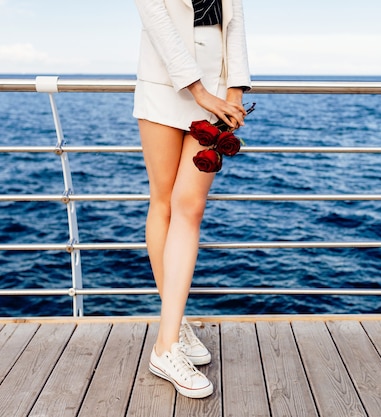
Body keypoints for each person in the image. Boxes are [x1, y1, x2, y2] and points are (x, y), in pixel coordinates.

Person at [133, 0, 251, 399]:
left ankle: (170, 331)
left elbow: (234, 22)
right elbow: (157, 19)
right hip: (166, 84)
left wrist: (233, 90)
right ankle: (169, 341)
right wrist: (198, 91)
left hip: (217, 91)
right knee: (163, 202)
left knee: (191, 208)